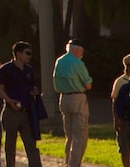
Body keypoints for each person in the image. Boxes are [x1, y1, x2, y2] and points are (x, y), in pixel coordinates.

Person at [0, 41, 42, 167]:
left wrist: (34, 91)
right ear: (18, 54)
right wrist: (9, 101)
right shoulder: (6, 69)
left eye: (30, 53)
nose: (29, 56)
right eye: (27, 53)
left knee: (31, 145)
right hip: (11, 112)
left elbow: (33, 85)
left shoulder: (29, 70)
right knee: (10, 145)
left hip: (26, 112)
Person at [53, 38, 92, 167]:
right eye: (81, 51)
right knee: (79, 136)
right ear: (76, 49)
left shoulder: (59, 61)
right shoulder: (77, 63)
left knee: (69, 135)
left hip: (63, 98)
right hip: (77, 98)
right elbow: (87, 84)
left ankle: (67, 162)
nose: (82, 54)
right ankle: (74, 165)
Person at [110, 53, 130, 167]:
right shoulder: (120, 81)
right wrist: (116, 120)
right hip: (124, 117)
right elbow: (115, 102)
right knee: (125, 147)